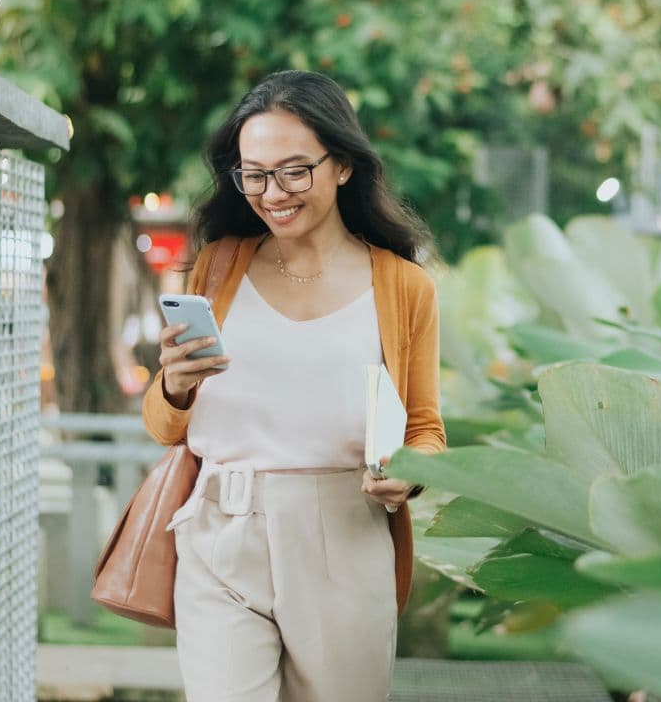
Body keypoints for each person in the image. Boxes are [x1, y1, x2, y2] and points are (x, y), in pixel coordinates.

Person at [141, 70, 446, 702]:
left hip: (345, 530)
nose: (271, 192)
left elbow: (425, 430)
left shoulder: (401, 286)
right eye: (253, 173)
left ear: (342, 167)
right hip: (220, 532)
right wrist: (171, 386)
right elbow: (166, 426)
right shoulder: (217, 267)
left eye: (293, 170)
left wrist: (408, 471)